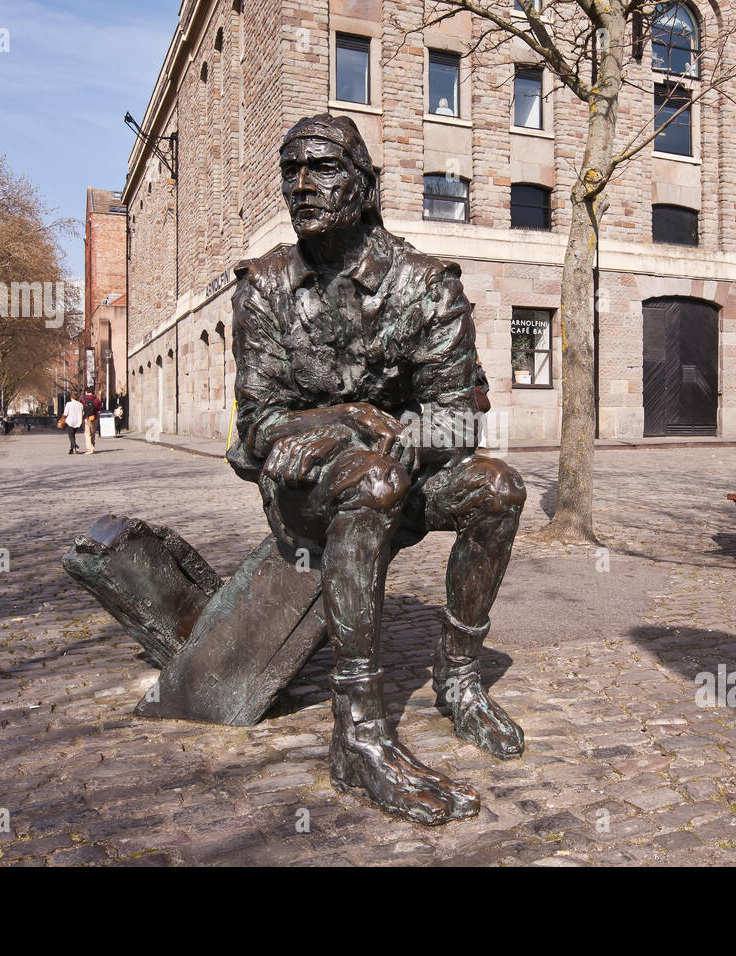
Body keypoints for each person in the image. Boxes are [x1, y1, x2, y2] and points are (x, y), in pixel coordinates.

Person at [229, 113, 527, 825]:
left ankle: (459, 682)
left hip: (405, 476)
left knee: (497, 489)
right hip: (308, 494)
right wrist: (352, 421)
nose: (302, 185)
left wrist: (396, 437)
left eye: (323, 168)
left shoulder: (424, 284)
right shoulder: (264, 287)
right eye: (291, 169)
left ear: (363, 186)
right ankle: (357, 734)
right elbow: (256, 429)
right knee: (373, 480)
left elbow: (456, 417)